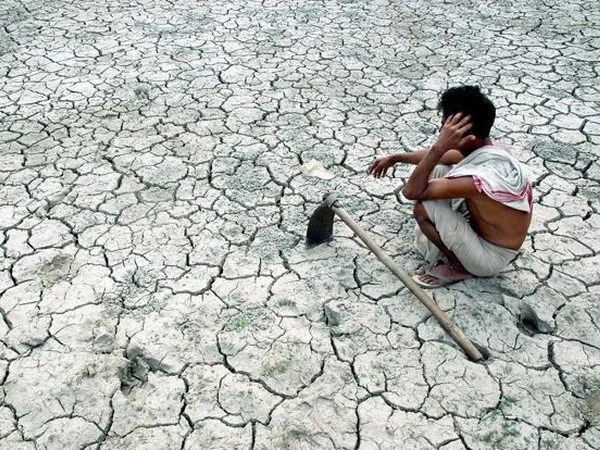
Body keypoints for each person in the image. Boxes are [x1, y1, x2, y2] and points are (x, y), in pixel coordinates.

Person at [368, 85, 532, 288]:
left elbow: (411, 192)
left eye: (446, 129)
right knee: (439, 169)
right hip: (487, 234)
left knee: (423, 208)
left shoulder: (477, 181)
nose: (441, 132)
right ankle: (457, 248)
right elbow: (442, 158)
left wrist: (440, 145)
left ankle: (458, 267)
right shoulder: (488, 149)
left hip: (489, 258)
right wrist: (395, 158)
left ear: (468, 137)